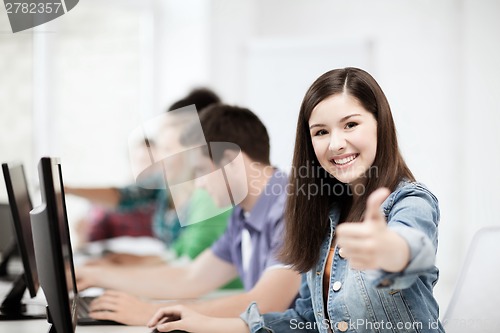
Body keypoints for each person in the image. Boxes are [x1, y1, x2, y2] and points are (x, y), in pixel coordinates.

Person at [146, 67, 445, 333]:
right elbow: (305, 320)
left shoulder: (411, 200)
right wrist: (205, 324)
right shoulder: (323, 213)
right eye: (321, 132)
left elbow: (413, 246)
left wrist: (390, 249)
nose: (336, 143)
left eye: (351, 125)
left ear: (380, 123)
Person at [75, 104, 302, 325]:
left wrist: (153, 312)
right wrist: (94, 275)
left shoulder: (291, 208)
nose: (199, 185)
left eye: (201, 170)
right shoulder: (242, 215)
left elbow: (267, 304)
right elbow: (191, 277)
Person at [66, 88, 234, 264]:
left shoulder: (210, 196)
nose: (159, 158)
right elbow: (178, 256)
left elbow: (189, 266)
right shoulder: (167, 180)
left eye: (169, 148)